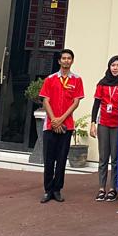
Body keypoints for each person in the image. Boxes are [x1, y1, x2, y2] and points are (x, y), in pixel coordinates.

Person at [39, 49, 85, 203]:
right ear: (59, 61)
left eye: (69, 58)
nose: (66, 60)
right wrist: (54, 120)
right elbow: (45, 100)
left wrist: (61, 119)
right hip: (50, 125)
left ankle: (57, 189)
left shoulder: (77, 80)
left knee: (61, 159)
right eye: (63, 58)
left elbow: (76, 102)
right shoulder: (50, 79)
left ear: (72, 61)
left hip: (67, 125)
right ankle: (48, 190)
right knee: (48, 159)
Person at [90, 55, 118, 202]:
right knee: (103, 157)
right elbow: (96, 104)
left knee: (115, 158)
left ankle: (113, 188)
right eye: (113, 65)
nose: (115, 68)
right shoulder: (102, 83)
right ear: (109, 66)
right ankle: (101, 188)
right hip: (103, 123)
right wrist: (93, 123)